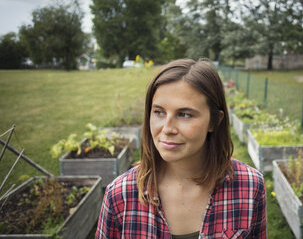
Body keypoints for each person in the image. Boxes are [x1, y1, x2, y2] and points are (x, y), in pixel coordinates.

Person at [95, 59, 267, 239]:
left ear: (215, 121)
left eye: (185, 114)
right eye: (159, 112)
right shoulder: (119, 195)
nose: (167, 128)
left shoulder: (251, 187)